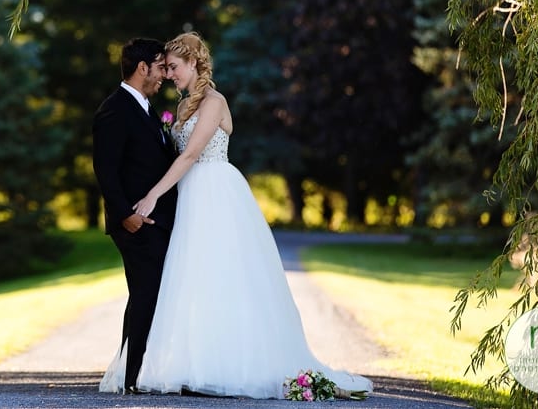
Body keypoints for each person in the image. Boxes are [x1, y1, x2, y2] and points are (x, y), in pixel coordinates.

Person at [102, 31, 373, 399]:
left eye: (175, 67)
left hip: (216, 194)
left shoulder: (214, 101)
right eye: (165, 68)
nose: (169, 75)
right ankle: (189, 364)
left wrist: (151, 196)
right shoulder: (181, 108)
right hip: (188, 200)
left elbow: (190, 155)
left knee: (225, 278)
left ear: (195, 63)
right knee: (189, 283)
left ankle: (231, 364)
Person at [92, 37, 178, 394]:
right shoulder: (115, 110)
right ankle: (131, 377)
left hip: (155, 222)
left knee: (148, 293)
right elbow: (105, 170)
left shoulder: (145, 108)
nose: (164, 76)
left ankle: (136, 372)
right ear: (142, 68)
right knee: (145, 293)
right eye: (160, 67)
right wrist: (126, 214)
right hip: (136, 223)